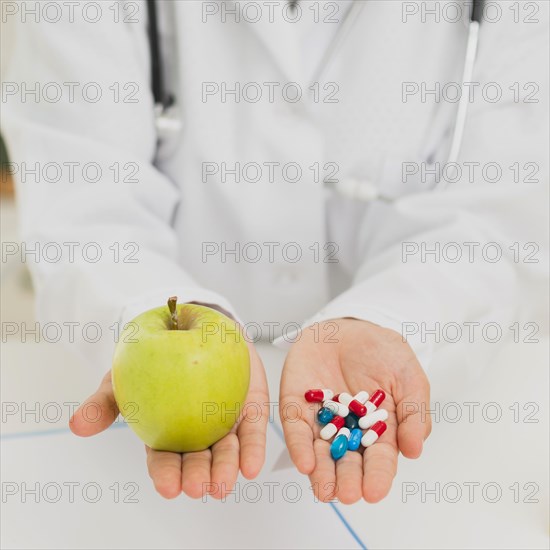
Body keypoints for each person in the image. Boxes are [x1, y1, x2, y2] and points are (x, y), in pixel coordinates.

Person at [3, 0, 548, 504]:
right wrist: (140, 303)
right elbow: (82, 202)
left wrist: (389, 319)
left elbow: (501, 215)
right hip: (140, 459)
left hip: (443, 439)